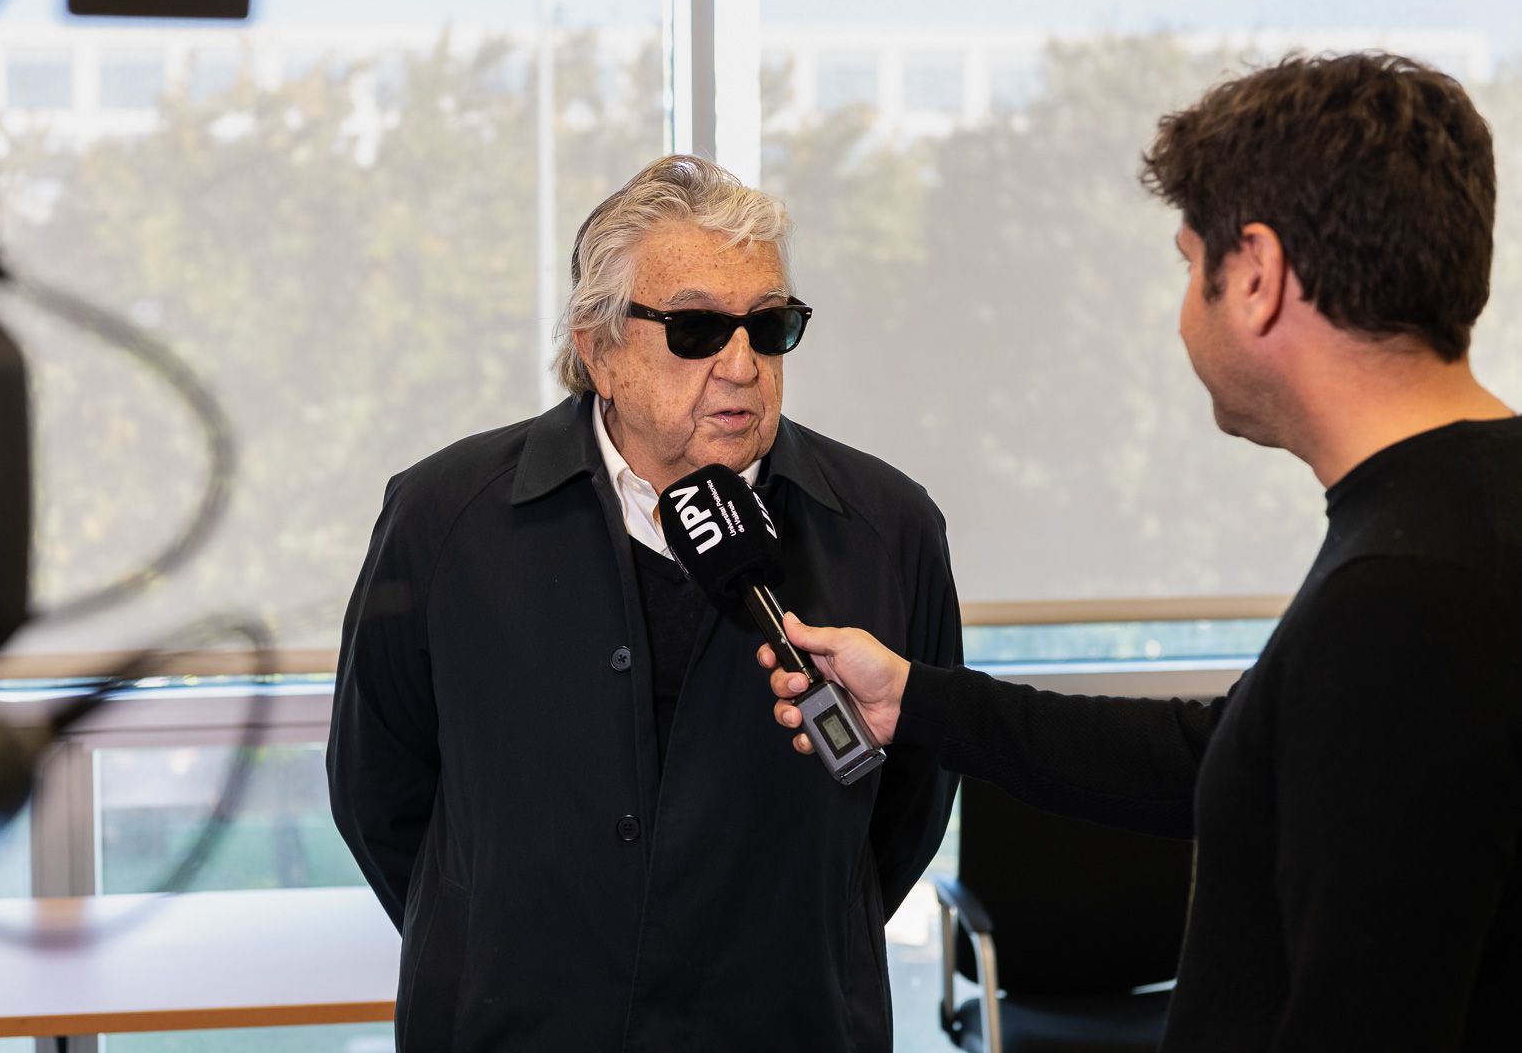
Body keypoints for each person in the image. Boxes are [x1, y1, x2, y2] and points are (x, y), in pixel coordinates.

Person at [762, 54, 1522, 1049]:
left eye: (1189, 265)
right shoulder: (1464, 523)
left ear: (1257, 277)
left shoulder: (1402, 599)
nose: (1183, 312)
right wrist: (920, 702)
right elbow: (1225, 755)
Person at [328, 154, 962, 1052]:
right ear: (599, 347)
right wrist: (498, 944)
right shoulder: (443, 517)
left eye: (769, 326)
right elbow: (379, 790)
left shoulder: (889, 528)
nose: (742, 364)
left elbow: (908, 809)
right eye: (697, 329)